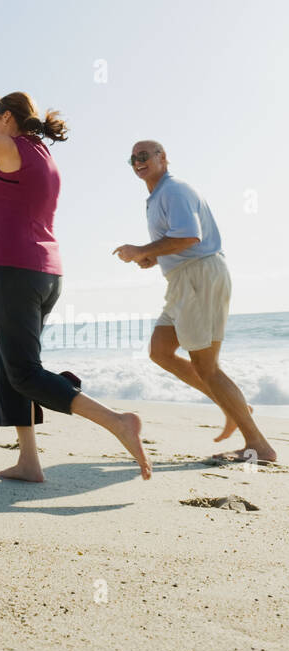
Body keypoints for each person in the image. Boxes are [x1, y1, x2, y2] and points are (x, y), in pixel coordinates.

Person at [0, 41, 151, 482]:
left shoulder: (13, 150)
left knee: (23, 371)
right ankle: (28, 461)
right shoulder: (37, 157)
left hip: (17, 271)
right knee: (7, 362)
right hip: (46, 274)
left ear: (7, 117)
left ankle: (117, 422)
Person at [114, 141, 276, 463]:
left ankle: (258, 445)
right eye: (132, 158)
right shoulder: (158, 195)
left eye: (144, 156)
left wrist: (143, 249)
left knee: (207, 367)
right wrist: (152, 257)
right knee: (160, 351)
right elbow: (178, 241)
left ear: (163, 158)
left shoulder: (173, 189)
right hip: (183, 281)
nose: (137, 162)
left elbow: (190, 236)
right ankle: (231, 405)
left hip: (199, 277)